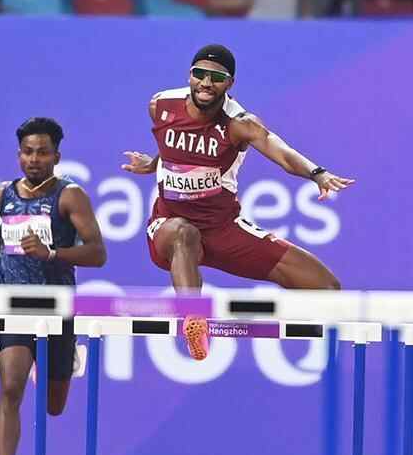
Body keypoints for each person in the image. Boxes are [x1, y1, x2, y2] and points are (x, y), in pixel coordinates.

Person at [121, 43, 355, 360]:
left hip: (223, 229)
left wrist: (317, 173)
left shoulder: (240, 123)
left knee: (326, 287)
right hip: (169, 228)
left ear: (230, 83)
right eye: (200, 74)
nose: (206, 83)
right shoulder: (161, 104)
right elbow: (171, 145)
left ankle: (327, 355)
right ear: (189, 76)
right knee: (183, 232)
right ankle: (194, 320)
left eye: (217, 78)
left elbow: (282, 153)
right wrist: (152, 164)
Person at [0, 116, 106, 455]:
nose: (34, 159)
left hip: (56, 304)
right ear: (18, 155)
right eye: (27, 152)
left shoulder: (70, 197)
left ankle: (61, 361)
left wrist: (52, 253)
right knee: (10, 388)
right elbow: (4, 236)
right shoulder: (3, 192)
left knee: (54, 406)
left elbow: (97, 253)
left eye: (42, 153)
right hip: (12, 302)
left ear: (56, 156)